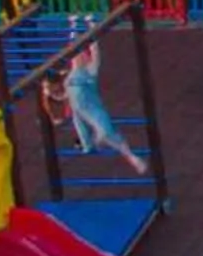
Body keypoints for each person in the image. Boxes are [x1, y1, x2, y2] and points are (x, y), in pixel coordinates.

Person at [48, 33, 148, 176]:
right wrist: (56, 96)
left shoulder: (89, 72)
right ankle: (89, 144)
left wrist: (91, 35)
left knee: (107, 134)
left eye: (81, 56)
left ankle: (131, 157)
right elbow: (66, 94)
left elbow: (94, 54)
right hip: (81, 110)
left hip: (90, 109)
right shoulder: (70, 76)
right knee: (94, 135)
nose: (78, 58)